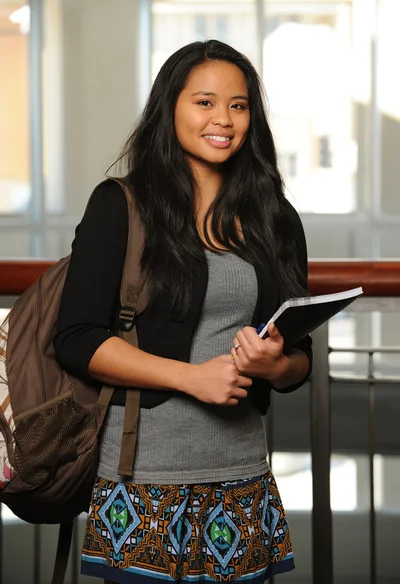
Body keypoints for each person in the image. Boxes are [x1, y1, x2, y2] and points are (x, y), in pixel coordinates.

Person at [54, 39, 312, 584]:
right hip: (140, 478)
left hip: (242, 476)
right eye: (205, 102)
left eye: (238, 105)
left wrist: (274, 365)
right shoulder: (120, 204)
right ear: (170, 106)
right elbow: (76, 337)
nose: (224, 119)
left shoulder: (274, 217)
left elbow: (298, 362)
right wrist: (191, 378)